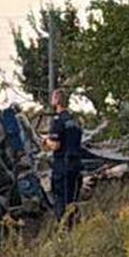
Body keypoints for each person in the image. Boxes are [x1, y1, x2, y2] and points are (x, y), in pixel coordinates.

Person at [43, 89, 84, 224]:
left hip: (62, 166)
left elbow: (56, 146)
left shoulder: (58, 121)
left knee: (61, 202)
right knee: (73, 201)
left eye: (53, 97)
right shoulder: (75, 121)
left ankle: (64, 232)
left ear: (57, 100)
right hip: (76, 165)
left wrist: (46, 141)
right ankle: (75, 230)